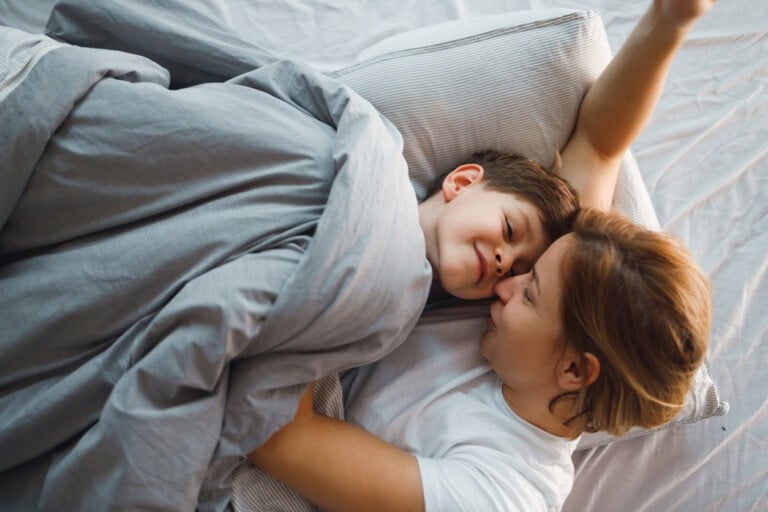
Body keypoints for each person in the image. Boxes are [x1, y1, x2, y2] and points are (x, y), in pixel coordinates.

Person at [246, 0, 716, 510]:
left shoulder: (500, 489)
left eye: (530, 292)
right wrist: (671, 21)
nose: (507, 282)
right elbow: (600, 145)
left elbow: (278, 435)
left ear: (574, 372)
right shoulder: (538, 301)